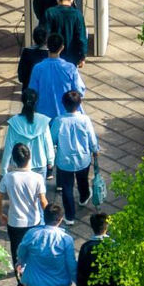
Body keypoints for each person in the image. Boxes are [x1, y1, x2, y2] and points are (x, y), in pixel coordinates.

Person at [0, 143, 49, 286]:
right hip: (34, 222)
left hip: (15, 223)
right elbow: (43, 201)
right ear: (29, 158)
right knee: (34, 251)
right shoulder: (37, 178)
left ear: (13, 159)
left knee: (17, 254)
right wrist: (48, 219)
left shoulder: (8, 177)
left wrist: (1, 214)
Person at [17, 204, 77, 286]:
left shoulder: (32, 234)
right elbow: (71, 265)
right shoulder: (66, 239)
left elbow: (21, 252)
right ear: (60, 219)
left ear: (44, 217)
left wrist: (21, 263)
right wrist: (79, 284)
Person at [50, 91, 100, 225]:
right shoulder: (85, 120)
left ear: (63, 104)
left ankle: (70, 216)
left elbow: (52, 140)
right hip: (83, 159)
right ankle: (84, 198)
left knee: (67, 188)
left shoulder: (59, 121)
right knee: (83, 180)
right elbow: (92, 138)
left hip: (64, 161)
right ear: (79, 104)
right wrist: (95, 150)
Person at [28, 33, 85, 120]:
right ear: (62, 47)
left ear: (47, 46)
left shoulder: (38, 68)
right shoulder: (70, 68)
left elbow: (32, 92)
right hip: (65, 115)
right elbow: (79, 91)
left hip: (44, 117)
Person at [0, 88, 54, 177]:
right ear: (36, 101)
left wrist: (4, 168)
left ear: (22, 101)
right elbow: (48, 144)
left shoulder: (14, 122)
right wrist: (50, 161)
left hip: (19, 165)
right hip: (40, 164)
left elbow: (8, 147)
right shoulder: (43, 121)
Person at [44, 0, 88, 67]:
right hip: (71, 56)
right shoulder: (77, 14)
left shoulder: (49, 12)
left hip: (53, 54)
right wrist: (82, 56)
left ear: (58, 0)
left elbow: (45, 33)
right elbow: (81, 37)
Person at [17, 25, 49, 91]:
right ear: (46, 39)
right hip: (44, 89)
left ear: (33, 38)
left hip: (28, 89)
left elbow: (21, 73)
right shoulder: (49, 54)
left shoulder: (26, 51)